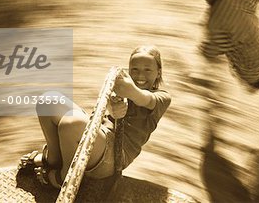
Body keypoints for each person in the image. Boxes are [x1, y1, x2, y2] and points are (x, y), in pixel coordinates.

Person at [18, 45, 171, 188]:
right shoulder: (124, 91)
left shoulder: (161, 98)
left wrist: (127, 90)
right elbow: (113, 108)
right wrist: (112, 105)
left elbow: (144, 98)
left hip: (114, 156)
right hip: (101, 135)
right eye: (135, 69)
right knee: (48, 101)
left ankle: (64, 176)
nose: (140, 75)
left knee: (71, 123)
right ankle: (54, 158)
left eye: (147, 70)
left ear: (158, 72)